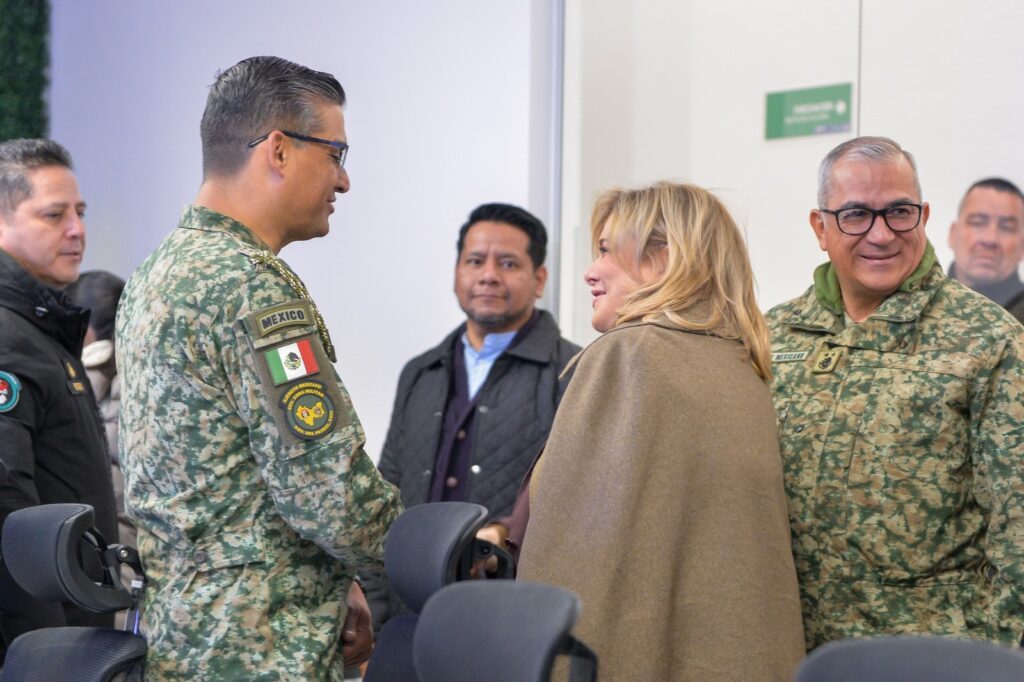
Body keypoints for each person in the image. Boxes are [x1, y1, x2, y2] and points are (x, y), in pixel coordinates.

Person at [116, 56, 403, 680]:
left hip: (183, 632)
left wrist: (337, 576)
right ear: (278, 149)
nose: (344, 181)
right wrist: (431, 554)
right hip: (263, 644)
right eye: (335, 154)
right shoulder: (252, 288)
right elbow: (328, 493)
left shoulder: (159, 271)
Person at [516, 181, 805, 681]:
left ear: (665, 259)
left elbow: (571, 555)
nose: (591, 271)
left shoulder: (627, 356)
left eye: (607, 251)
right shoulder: (741, 366)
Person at [768, 136, 1024, 651]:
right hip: (787, 650)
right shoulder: (774, 334)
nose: (881, 234)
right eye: (856, 215)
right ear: (820, 227)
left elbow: (1016, 529)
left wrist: (995, 659)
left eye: (899, 212)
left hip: (924, 655)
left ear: (924, 217)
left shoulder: (988, 339)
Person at [368, 203, 579, 629]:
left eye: (508, 263)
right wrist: (374, 611)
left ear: (539, 279)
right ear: (456, 273)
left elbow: (577, 505)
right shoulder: (421, 372)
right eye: (475, 261)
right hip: (410, 613)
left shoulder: (572, 373)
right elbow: (385, 495)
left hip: (511, 620)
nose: (488, 275)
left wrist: (503, 533)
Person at [0, 139, 118, 660]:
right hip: (45, 642)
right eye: (54, 215)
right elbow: (10, 513)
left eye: (80, 212)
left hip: (69, 627)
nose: (77, 230)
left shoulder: (42, 327)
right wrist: (50, 651)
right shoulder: (9, 338)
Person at [66, 270, 134, 551]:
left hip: (100, 550)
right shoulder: (142, 372)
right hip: (142, 551)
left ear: (87, 329)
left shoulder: (70, 378)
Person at [947, 177, 1024, 322]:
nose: (990, 239)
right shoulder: (915, 307)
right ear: (953, 234)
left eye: (1007, 228)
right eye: (977, 223)